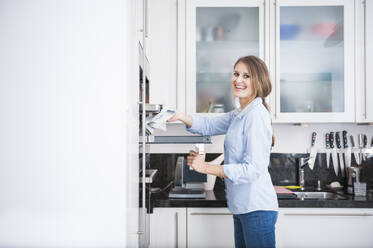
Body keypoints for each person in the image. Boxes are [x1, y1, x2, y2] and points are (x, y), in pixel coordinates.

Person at [168, 55, 278, 248]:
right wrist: (181, 116)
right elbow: (209, 124)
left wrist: (206, 167)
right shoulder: (240, 114)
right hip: (243, 208)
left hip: (257, 209)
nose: (238, 80)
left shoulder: (256, 115)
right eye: (236, 74)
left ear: (258, 81)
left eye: (246, 76)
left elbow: (253, 169)